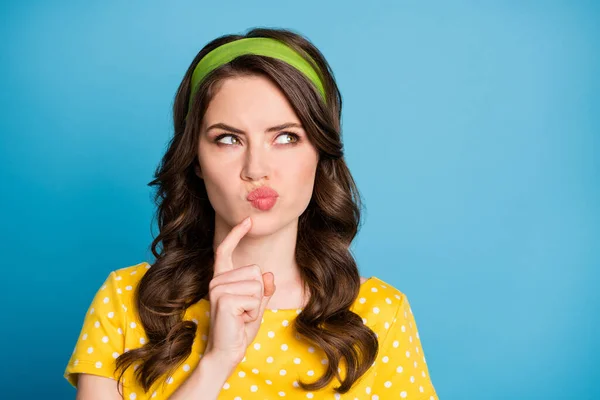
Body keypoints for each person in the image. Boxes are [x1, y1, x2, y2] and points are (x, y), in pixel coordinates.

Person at [64, 27, 439, 400]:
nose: (256, 168)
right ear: (195, 159)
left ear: (320, 152)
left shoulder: (379, 315)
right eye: (228, 139)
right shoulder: (127, 301)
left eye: (286, 137)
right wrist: (217, 361)